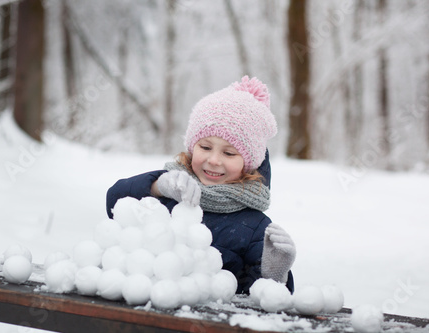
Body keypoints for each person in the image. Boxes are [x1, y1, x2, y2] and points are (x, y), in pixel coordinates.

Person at [106, 76, 296, 294]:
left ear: (249, 164)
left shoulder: (254, 227)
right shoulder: (170, 187)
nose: (214, 160)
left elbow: (263, 299)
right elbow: (114, 204)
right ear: (191, 148)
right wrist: (157, 187)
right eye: (205, 147)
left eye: (229, 153)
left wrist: (275, 274)